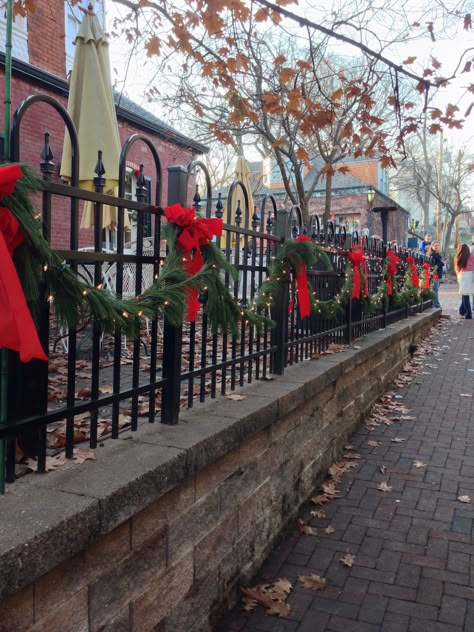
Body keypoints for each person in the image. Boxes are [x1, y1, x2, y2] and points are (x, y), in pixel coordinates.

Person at [454, 243, 474, 319]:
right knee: (466, 293)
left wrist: (458, 275)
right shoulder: (471, 257)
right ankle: (462, 310)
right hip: (471, 275)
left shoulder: (458, 257)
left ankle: (468, 313)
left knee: (464, 294)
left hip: (462, 275)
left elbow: (457, 269)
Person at [429, 240, 445, 308]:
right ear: (432, 246)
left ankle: (435, 303)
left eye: (438, 246)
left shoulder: (437, 254)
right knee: (435, 289)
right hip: (434, 274)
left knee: (436, 289)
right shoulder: (432, 254)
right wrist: (442, 263)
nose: (436, 247)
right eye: (435, 245)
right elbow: (434, 265)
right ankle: (435, 304)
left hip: (438, 274)